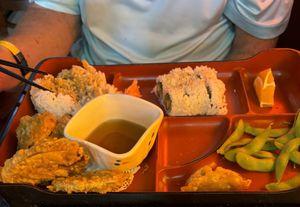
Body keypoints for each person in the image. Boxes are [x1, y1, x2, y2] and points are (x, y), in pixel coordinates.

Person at [0, 0, 294, 92]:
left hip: (206, 86)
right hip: (94, 83)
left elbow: (251, 50)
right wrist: (10, 57)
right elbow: (54, 16)